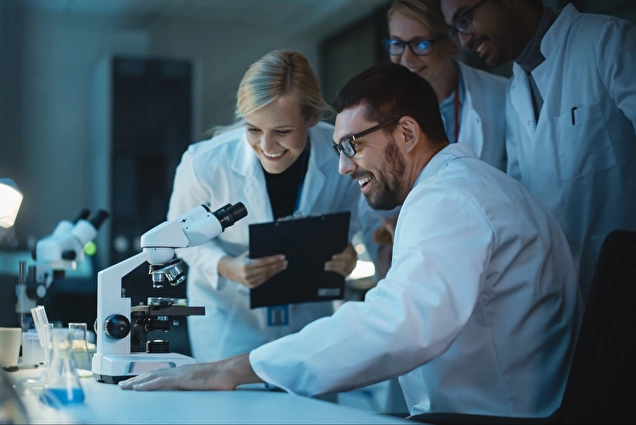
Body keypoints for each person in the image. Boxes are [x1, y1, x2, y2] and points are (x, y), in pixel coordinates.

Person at [120, 63, 582, 418]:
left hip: (495, 414)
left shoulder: (449, 200)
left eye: (352, 146)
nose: (343, 166)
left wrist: (239, 367)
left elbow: (400, 324)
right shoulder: (471, 186)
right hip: (502, 403)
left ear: (406, 132)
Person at [166, 50, 361, 363]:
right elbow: (179, 237)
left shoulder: (341, 153)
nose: (267, 147)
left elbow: (351, 218)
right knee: (236, 407)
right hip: (230, 316)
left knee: (310, 406)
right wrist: (226, 267)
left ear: (311, 118)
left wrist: (346, 250)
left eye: (282, 131)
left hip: (308, 314)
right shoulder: (204, 163)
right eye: (253, 129)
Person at [440, 0, 636, 302]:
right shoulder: (516, 91)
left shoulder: (607, 41)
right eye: (456, 30)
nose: (465, 40)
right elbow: (524, 203)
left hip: (625, 274)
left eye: (466, 19)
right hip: (569, 295)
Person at [361, 0, 510, 283]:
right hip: (418, 258)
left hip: (493, 254)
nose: (405, 58)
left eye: (420, 44)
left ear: (453, 42)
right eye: (396, 43)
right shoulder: (379, 113)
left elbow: (517, 183)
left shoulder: (500, 98)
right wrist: (386, 247)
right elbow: (370, 200)